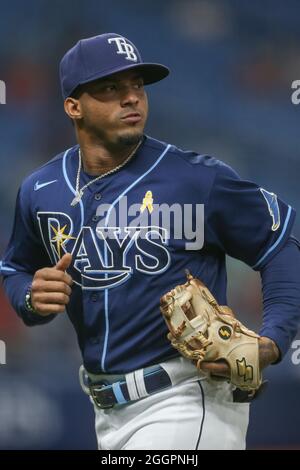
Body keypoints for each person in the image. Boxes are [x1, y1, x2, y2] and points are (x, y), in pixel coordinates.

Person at [1, 33, 300, 450]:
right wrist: (30, 298)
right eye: (110, 88)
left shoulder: (196, 178)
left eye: (137, 86)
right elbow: (15, 269)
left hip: (188, 400)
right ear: (73, 107)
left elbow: (281, 245)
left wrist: (274, 339)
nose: (131, 99)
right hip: (106, 412)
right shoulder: (40, 188)